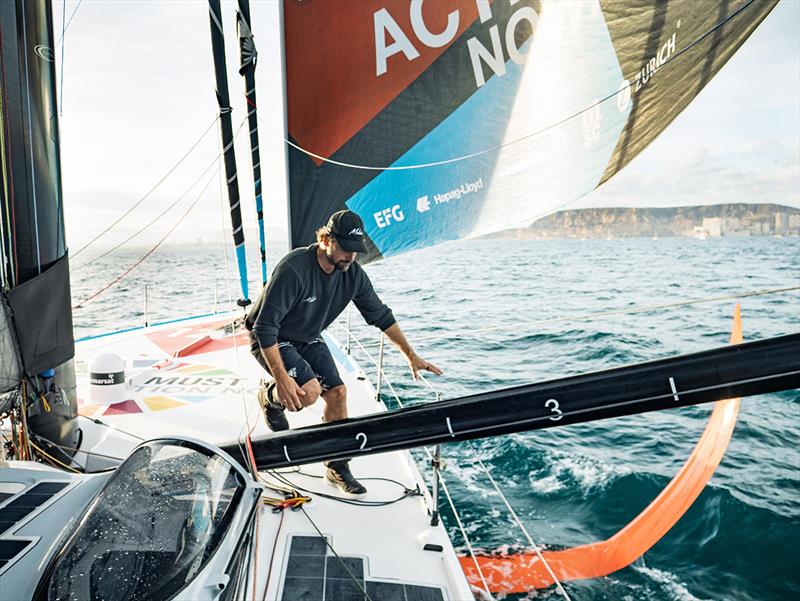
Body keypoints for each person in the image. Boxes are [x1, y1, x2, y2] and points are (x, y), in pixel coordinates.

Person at [246, 210, 442, 495]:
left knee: (338, 393)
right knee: (309, 392)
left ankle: (337, 465)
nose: (351, 257)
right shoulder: (294, 269)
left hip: (308, 337)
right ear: (326, 240)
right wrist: (283, 379)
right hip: (273, 338)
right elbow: (264, 328)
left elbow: (381, 316)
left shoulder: (353, 275)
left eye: (356, 251)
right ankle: (269, 397)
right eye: (346, 249)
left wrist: (411, 355)